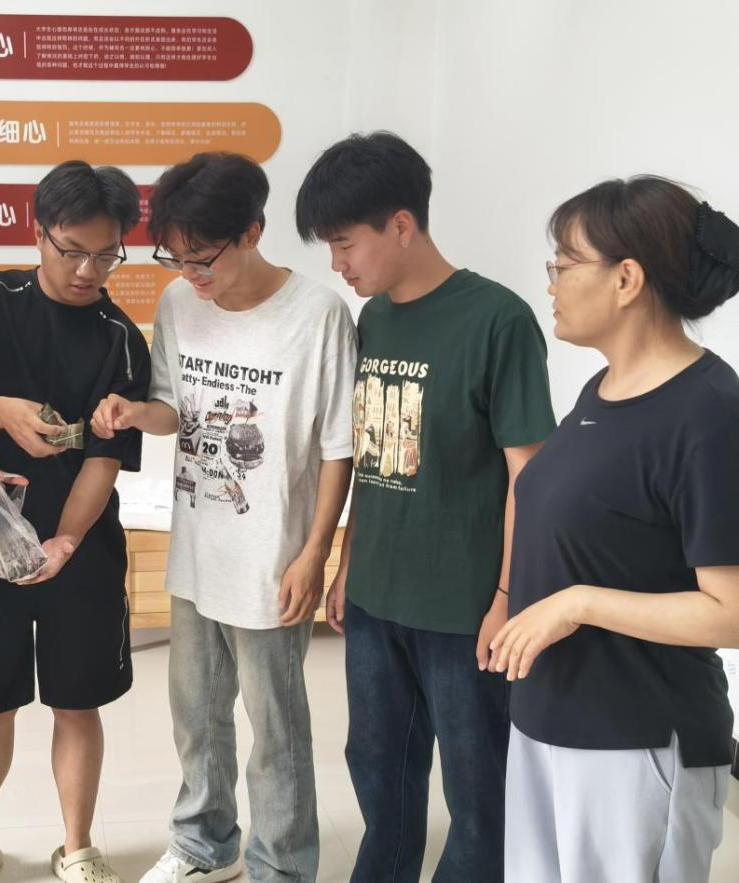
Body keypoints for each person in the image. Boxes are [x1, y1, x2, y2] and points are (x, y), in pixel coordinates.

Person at [296, 131, 556, 882]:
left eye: (345, 244)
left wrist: (506, 598)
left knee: (479, 796)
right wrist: (349, 562)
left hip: (464, 610)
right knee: (380, 775)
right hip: (376, 601)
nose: (337, 264)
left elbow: (529, 479)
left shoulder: (498, 321)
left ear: (402, 225)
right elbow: (373, 454)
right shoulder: (373, 319)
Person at [92, 151, 357, 883]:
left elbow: (338, 448)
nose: (189, 274)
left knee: (276, 727)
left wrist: (316, 553)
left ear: (251, 232)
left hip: (272, 555)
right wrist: (132, 413)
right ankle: (203, 845)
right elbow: (171, 407)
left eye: (202, 258)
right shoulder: (181, 304)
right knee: (197, 713)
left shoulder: (318, 316)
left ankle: (283, 867)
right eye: (175, 258)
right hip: (198, 545)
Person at [491, 176, 739, 882]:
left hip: (635, 742)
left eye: (564, 265)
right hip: (548, 719)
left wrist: (578, 603)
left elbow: (732, 612)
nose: (551, 283)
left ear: (627, 279)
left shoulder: (710, 413)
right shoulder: (599, 391)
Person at [0, 160, 150, 883]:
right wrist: (1, 413)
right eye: (71, 250)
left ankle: (77, 848)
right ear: (37, 230)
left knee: (78, 702)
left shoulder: (120, 337)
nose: (87, 271)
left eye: (105, 255)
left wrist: (66, 539)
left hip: (83, 542)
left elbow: (104, 461)